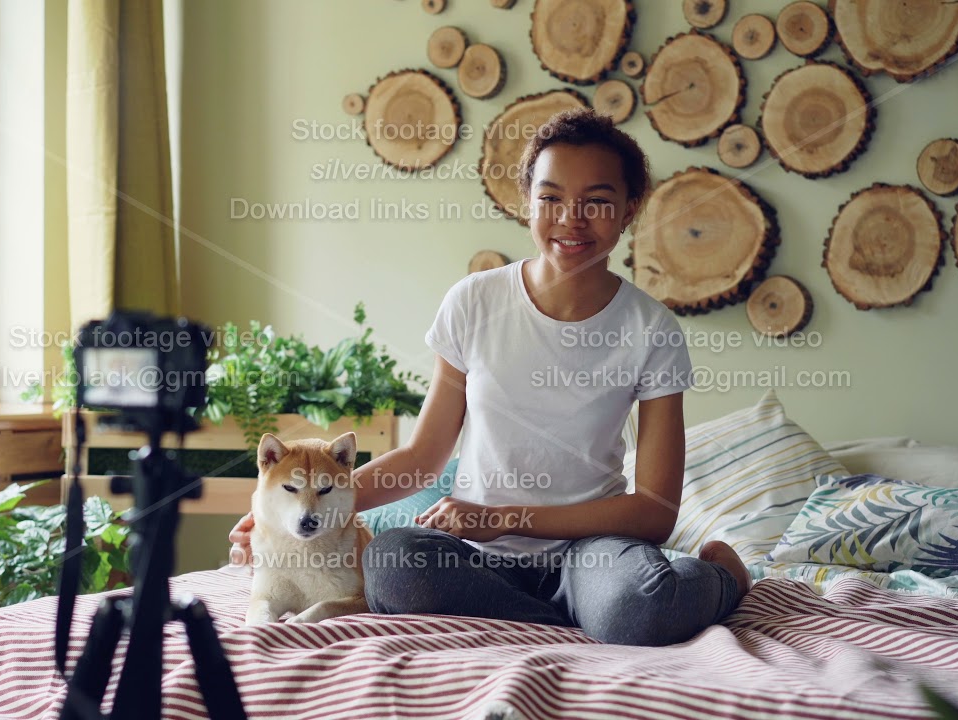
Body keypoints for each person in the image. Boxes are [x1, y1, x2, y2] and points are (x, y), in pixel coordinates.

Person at [229, 108, 750, 646]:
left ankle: (722, 577)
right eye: (550, 198)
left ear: (629, 209)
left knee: (640, 608)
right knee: (393, 563)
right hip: (477, 558)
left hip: (590, 550)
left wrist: (503, 517)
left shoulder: (651, 329)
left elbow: (655, 512)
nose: (571, 218)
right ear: (527, 202)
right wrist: (284, 514)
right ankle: (579, 615)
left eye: (596, 200)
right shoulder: (475, 301)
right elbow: (422, 457)